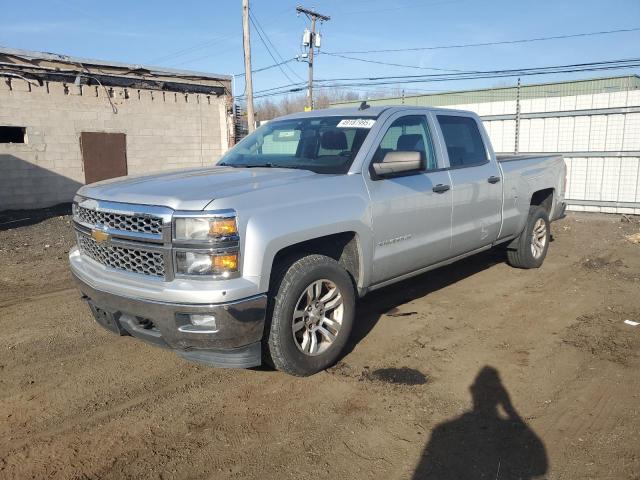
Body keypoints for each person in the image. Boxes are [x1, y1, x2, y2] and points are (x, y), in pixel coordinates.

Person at [413, 366, 548, 479]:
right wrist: (510, 410)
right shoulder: (443, 430)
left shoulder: (442, 429)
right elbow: (541, 468)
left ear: (472, 390)